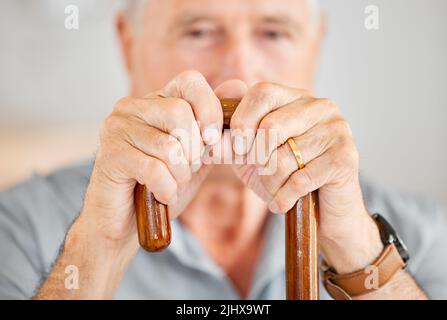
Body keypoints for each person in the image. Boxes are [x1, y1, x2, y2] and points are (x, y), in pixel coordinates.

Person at [1, 0, 446, 300]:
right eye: (198, 31)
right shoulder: (19, 227)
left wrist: (361, 256)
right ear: (127, 43)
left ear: (316, 46)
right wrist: (98, 249)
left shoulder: (429, 234)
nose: (238, 69)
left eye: (273, 33)